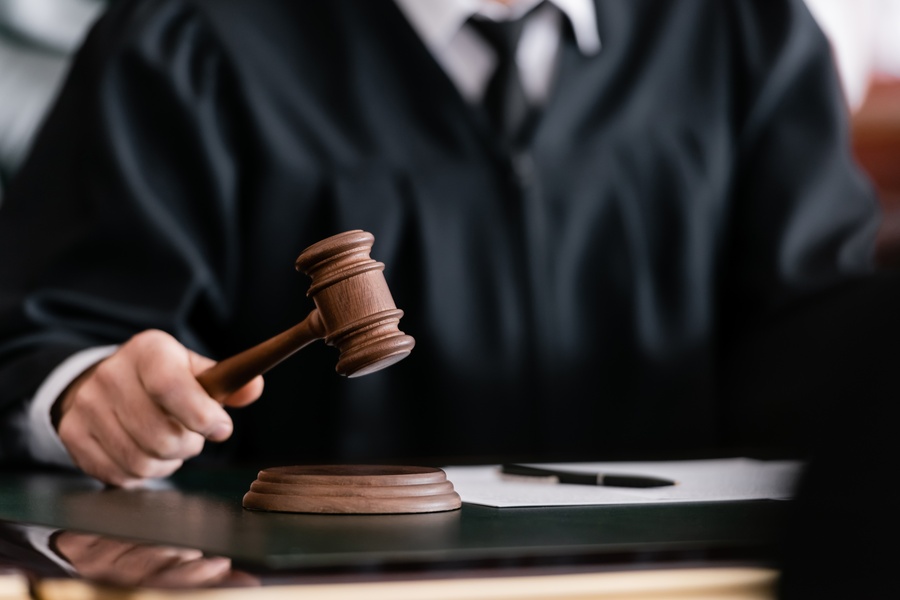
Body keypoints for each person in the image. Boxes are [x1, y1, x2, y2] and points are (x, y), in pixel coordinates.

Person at [0, 0, 887, 488]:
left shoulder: (742, 30)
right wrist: (85, 390)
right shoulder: (189, 39)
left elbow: (808, 326)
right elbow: (55, 337)